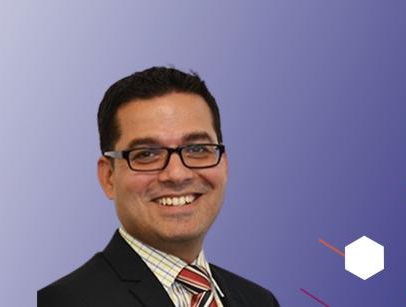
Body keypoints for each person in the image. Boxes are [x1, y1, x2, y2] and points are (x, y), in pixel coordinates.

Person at [38, 67, 279, 307]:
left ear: (224, 165)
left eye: (197, 149)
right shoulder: (62, 301)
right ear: (108, 177)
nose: (177, 174)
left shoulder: (259, 301)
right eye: (147, 154)